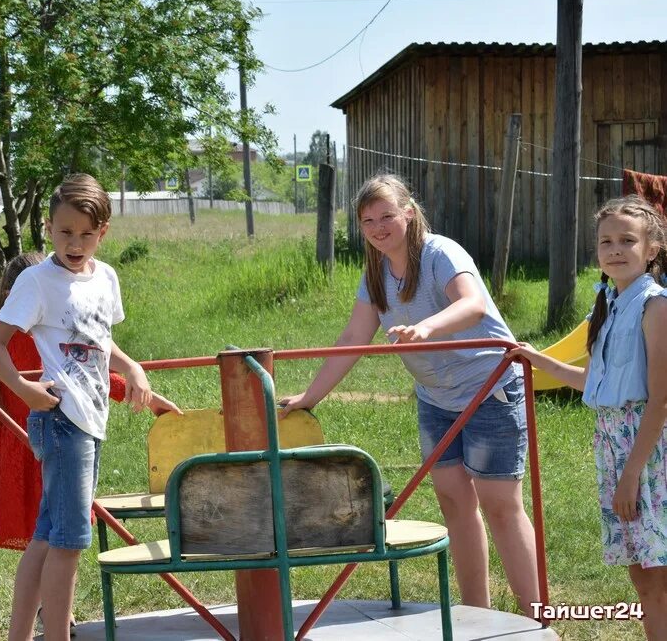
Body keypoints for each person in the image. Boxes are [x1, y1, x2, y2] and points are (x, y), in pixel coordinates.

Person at [279, 173, 539, 616]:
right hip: (437, 399)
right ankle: (476, 613)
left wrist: (426, 328)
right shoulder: (376, 274)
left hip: (489, 389)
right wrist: (310, 395)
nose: (379, 227)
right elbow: (353, 339)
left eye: (387, 216)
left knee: (500, 505)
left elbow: (472, 303)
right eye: (368, 221)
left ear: (409, 213)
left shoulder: (439, 253)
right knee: (454, 501)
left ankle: (536, 614)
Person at [0, 174, 179, 641]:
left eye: (86, 234)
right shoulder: (37, 280)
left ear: (103, 231)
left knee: (48, 536)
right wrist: (25, 391)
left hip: (91, 421)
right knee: (70, 542)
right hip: (61, 420)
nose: (75, 242)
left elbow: (100, 341)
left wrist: (133, 370)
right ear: (48, 228)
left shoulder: (105, 277)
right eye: (65, 232)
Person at [508, 195, 667, 638]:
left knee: (656, 577)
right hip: (616, 446)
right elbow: (597, 382)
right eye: (606, 241)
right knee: (643, 574)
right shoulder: (608, 304)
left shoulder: (657, 307)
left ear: (652, 249)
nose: (615, 249)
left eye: (627, 240)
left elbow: (660, 401)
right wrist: (537, 359)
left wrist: (632, 474)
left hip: (648, 452)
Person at [0, 252, 178, 552]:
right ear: (9, 296)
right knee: (41, 534)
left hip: (56, 438)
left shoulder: (52, 335)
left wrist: (148, 397)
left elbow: (92, 375)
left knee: (57, 532)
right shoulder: (3, 333)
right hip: (19, 442)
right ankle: (41, 598)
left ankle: (44, 598)